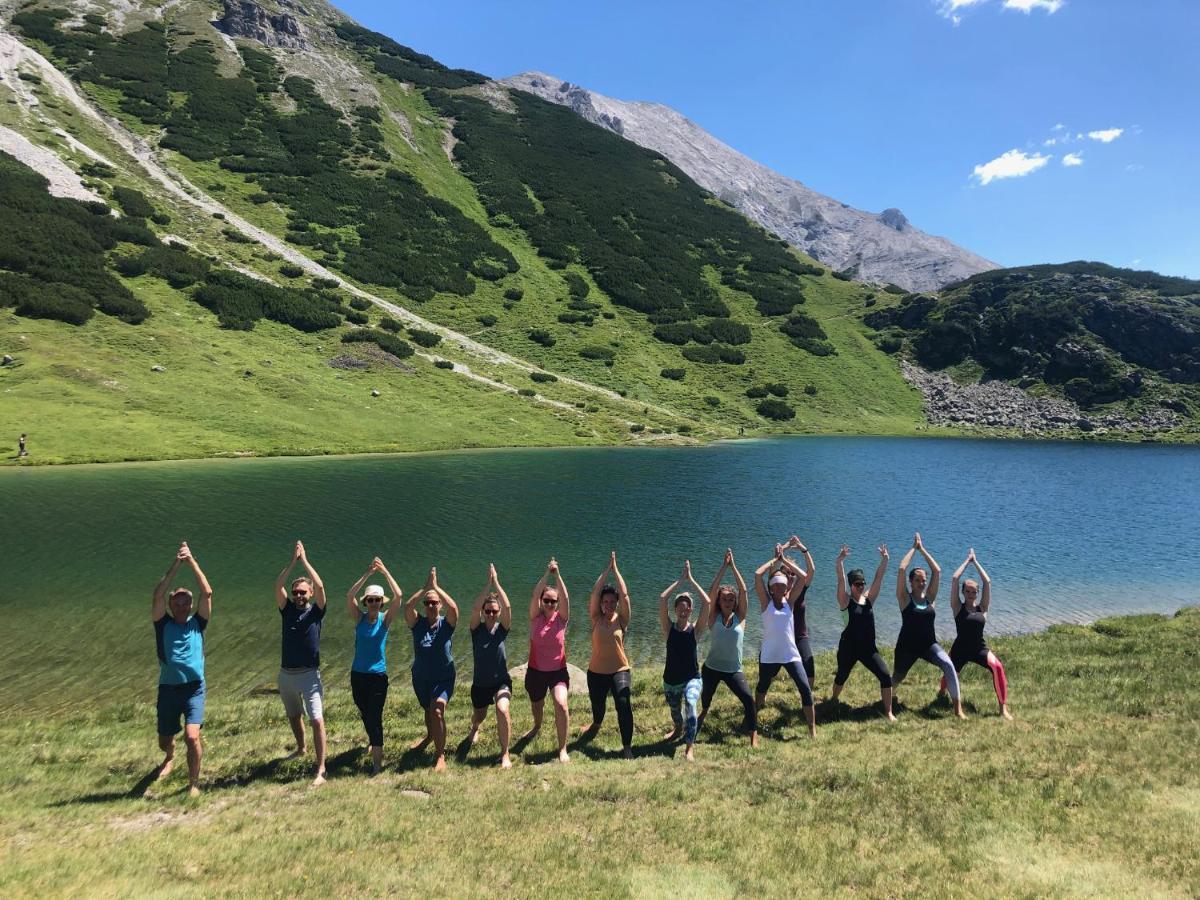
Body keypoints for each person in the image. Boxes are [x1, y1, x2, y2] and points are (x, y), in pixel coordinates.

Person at [151, 541, 212, 797]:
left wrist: (192, 562)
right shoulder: (162, 624)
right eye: (176, 602)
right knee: (164, 739)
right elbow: (157, 595)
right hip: (168, 689)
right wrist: (176, 563)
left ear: (190, 606)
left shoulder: (197, 623)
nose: (182, 606)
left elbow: (207, 593)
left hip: (194, 689)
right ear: (171, 604)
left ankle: (194, 784)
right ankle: (169, 754)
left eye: (186, 602)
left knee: (192, 736)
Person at [892, 533, 966, 719]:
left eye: (923, 580)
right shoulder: (904, 598)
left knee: (948, 664)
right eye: (918, 580)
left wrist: (922, 549)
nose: (922, 583)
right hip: (906, 647)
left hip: (928, 645)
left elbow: (937, 571)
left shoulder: (930, 598)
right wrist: (913, 548)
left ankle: (958, 709)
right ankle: (888, 698)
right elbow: (902, 569)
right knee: (897, 678)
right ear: (911, 582)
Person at [274, 540, 329, 785]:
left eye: (302, 592)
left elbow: (319, 585)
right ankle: (301, 748)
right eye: (295, 592)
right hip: (286, 674)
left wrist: (305, 561)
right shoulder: (286, 610)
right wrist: (291, 563)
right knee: (294, 715)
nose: (298, 595)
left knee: (316, 719)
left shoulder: (316, 611)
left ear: (309, 595)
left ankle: (321, 768)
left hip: (309, 674)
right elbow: (278, 585)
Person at [345, 557, 403, 775]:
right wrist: (368, 574)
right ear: (365, 602)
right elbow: (349, 596)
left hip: (378, 676)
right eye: (370, 600)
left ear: (381, 603)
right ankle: (372, 742)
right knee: (364, 712)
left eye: (378, 600)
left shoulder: (384, 620)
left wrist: (385, 572)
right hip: (357, 675)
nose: (374, 603)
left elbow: (399, 596)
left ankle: (377, 765)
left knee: (374, 716)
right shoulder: (358, 618)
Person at [940, 549, 1012, 719]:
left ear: (977, 594)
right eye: (968, 591)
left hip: (979, 648)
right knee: (949, 674)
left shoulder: (983, 608)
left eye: (974, 592)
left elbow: (987, 582)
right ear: (963, 593)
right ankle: (941, 692)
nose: (971, 595)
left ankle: (1003, 709)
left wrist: (975, 562)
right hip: (960, 649)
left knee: (998, 667)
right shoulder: (957, 607)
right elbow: (955, 579)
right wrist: (967, 561)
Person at [754, 546, 817, 737]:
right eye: (777, 585)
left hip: (790, 654)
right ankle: (754, 718)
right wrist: (775, 561)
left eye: (783, 584)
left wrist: (785, 561)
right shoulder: (766, 603)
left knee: (805, 688)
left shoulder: (790, 601)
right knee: (762, 686)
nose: (781, 587)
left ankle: (812, 729)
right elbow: (758, 575)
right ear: (771, 589)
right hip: (770, 655)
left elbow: (804, 576)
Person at [697, 548, 758, 748]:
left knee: (749, 700)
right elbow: (712, 592)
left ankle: (753, 736)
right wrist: (724, 566)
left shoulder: (741, 619)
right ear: (719, 601)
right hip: (712, 668)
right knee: (706, 700)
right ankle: (703, 715)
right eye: (725, 599)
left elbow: (744, 591)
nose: (728, 601)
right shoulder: (712, 618)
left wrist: (734, 567)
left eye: (731, 599)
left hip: (733, 670)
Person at [830, 544, 896, 721]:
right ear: (851, 585)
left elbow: (878, 578)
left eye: (862, 584)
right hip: (848, 648)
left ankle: (888, 711)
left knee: (885, 675)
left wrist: (885, 559)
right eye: (856, 584)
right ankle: (833, 699)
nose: (860, 587)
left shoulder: (869, 600)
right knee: (841, 675)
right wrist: (840, 561)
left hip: (869, 649)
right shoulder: (845, 601)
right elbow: (840, 579)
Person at [404, 567, 459, 772]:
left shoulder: (447, 624)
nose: (430, 606)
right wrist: (424, 588)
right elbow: (408, 607)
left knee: (437, 710)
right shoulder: (417, 623)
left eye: (434, 603)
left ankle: (440, 755)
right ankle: (429, 736)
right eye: (427, 603)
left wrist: (436, 588)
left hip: (444, 677)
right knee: (428, 709)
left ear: (440, 605)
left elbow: (454, 609)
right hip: (421, 677)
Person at [580, 551, 634, 759]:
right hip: (595, 672)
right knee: (598, 704)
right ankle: (596, 723)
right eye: (606, 602)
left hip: (620, 669)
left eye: (613, 602)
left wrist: (616, 569)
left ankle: (627, 747)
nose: (609, 605)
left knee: (623, 702)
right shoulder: (596, 618)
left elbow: (625, 594)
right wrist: (606, 570)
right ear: (601, 604)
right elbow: (594, 592)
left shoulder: (622, 619)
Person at [659, 560, 712, 761]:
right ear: (675, 610)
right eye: (680, 607)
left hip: (692, 677)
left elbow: (707, 603)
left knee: (690, 703)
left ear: (691, 611)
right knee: (675, 713)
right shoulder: (668, 629)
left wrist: (691, 580)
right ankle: (677, 729)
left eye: (686, 608)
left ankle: (689, 747)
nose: (683, 610)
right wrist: (680, 581)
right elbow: (662, 598)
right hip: (670, 680)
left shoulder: (696, 631)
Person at [521, 558, 571, 763]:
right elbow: (535, 594)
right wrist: (546, 574)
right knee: (537, 705)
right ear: (542, 602)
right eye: (547, 600)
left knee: (561, 704)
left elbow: (566, 597)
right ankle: (537, 726)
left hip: (558, 671)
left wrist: (557, 575)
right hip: (535, 671)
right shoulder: (535, 617)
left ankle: (562, 748)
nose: (550, 604)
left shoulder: (562, 618)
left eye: (553, 601)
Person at [466, 564, 515, 768]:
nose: (492, 614)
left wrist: (497, 582)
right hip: (480, 684)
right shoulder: (476, 630)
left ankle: (505, 754)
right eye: (489, 611)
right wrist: (488, 584)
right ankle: (475, 727)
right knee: (479, 715)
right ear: (484, 612)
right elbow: (476, 607)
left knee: (502, 709)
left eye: (495, 611)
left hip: (501, 682)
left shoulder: (502, 629)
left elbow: (508, 607)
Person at [776, 535, 816, 683]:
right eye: (787, 573)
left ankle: (808, 700)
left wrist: (802, 548)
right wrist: (784, 548)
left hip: (799, 636)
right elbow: (771, 568)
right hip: (781, 638)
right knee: (768, 672)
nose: (791, 576)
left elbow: (811, 570)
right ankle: (762, 699)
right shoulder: (775, 592)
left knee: (809, 668)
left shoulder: (800, 590)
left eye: (793, 573)